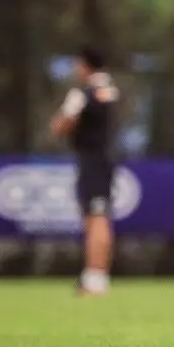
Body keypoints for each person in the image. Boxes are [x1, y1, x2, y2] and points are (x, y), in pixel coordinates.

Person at [50, 47, 119, 297]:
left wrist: (62, 124)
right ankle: (96, 276)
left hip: (92, 160)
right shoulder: (108, 89)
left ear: (85, 65)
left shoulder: (83, 93)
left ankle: (95, 278)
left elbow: (61, 125)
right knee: (98, 216)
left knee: (96, 218)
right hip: (103, 158)